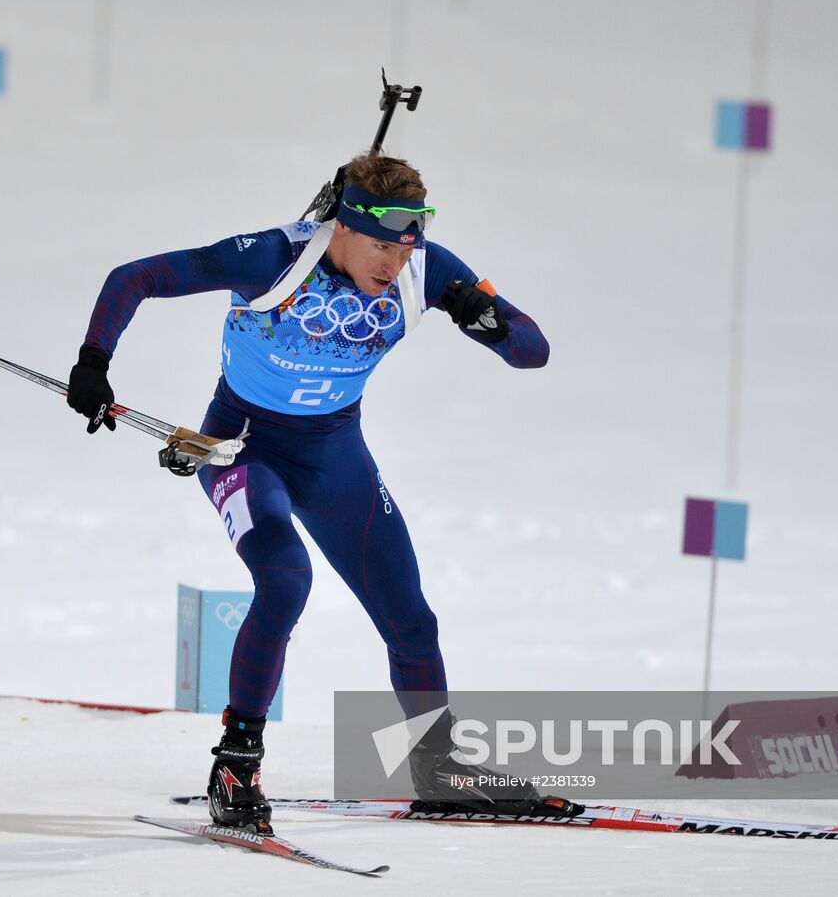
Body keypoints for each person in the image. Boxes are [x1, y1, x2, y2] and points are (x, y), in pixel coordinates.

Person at [67, 153, 569, 833]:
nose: (393, 263)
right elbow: (137, 278)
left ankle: (439, 764)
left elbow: (533, 352)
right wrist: (94, 363)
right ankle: (236, 762)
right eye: (380, 245)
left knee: (412, 619)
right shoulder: (275, 256)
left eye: (404, 245)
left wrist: (487, 319)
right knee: (285, 578)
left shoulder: (426, 267)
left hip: (335, 456)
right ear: (341, 226)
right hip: (242, 450)